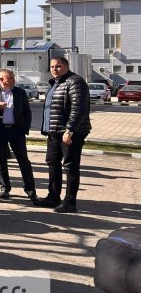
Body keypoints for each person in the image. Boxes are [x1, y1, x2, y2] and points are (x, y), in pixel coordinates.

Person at [36, 56, 91, 213]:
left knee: (70, 166)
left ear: (67, 66)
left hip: (70, 133)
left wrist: (70, 130)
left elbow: (78, 108)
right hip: (54, 132)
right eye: (52, 66)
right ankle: (53, 197)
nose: (54, 69)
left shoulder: (75, 81)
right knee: (52, 163)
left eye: (58, 66)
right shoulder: (54, 84)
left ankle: (70, 202)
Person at [0, 69, 38, 203]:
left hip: (16, 131)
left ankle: (30, 189)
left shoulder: (20, 92)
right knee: (0, 161)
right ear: (2, 80)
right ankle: (5, 187)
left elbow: (27, 112)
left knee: (23, 160)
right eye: (10, 78)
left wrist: (24, 128)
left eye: (12, 78)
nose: (13, 80)